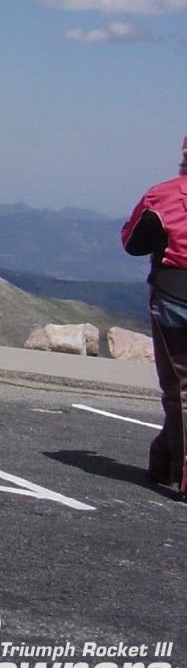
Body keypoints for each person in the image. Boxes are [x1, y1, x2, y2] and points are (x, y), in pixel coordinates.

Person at [121, 136, 187, 497]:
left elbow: (133, 243)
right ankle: (162, 458)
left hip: (174, 293)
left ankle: (178, 467)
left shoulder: (162, 195)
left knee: (180, 387)